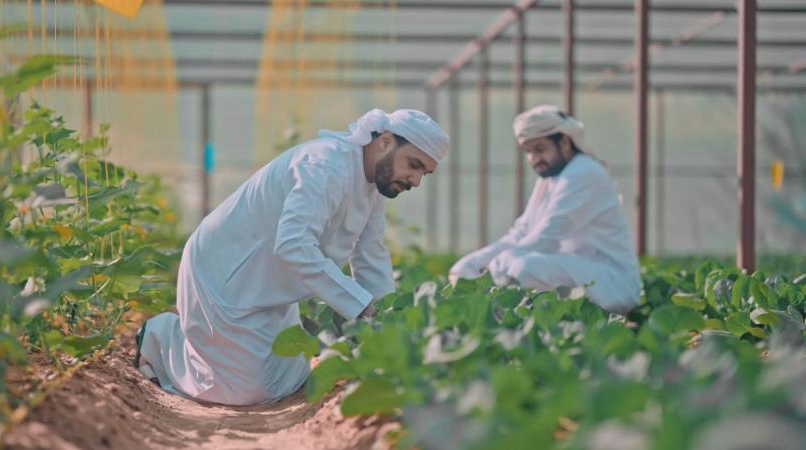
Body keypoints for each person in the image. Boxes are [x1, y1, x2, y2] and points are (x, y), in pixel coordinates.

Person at [137, 109, 449, 405]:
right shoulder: (325, 164)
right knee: (244, 391)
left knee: (286, 380)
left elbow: (371, 257)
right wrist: (361, 306)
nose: (416, 180)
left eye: (425, 173)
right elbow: (293, 245)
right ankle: (161, 337)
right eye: (414, 164)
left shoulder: (373, 188)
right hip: (223, 274)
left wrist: (387, 321)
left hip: (271, 285)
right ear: (385, 141)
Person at [449, 105, 640, 313]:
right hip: (576, 271)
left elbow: (547, 237)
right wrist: (471, 263)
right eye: (528, 151)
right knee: (495, 265)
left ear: (565, 142)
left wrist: (489, 270)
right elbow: (521, 233)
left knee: (524, 267)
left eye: (540, 149)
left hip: (612, 282)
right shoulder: (550, 179)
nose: (533, 159)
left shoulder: (584, 172)